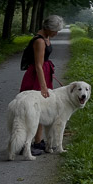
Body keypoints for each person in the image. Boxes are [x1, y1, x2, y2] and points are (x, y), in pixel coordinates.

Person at [19, 14, 65, 155]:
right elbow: (38, 65)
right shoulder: (39, 41)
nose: (56, 34)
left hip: (44, 74)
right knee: (33, 110)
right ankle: (25, 144)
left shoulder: (46, 37)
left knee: (42, 109)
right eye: (55, 31)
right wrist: (43, 87)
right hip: (37, 77)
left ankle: (38, 142)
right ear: (48, 28)